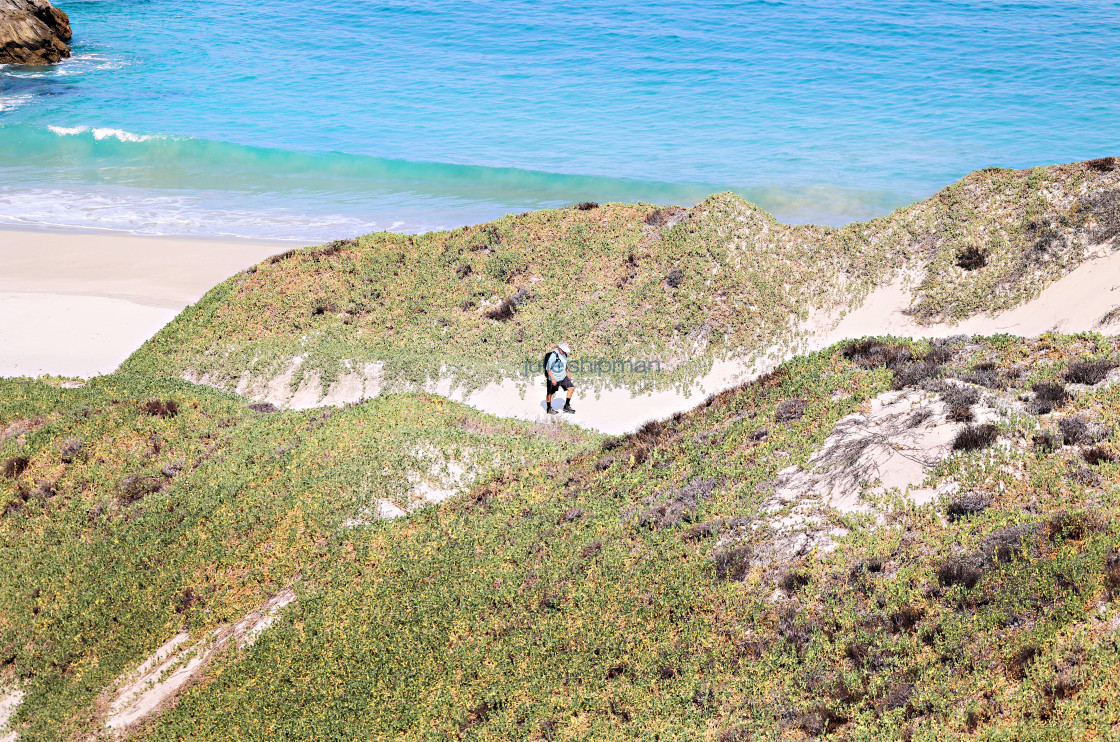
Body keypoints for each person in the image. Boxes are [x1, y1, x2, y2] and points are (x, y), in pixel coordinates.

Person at [544, 341, 575, 414]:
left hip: (562, 376)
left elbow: (565, 363)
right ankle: (549, 409)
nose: (564, 352)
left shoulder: (564, 354)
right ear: (559, 349)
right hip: (554, 377)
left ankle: (566, 406)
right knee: (550, 394)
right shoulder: (554, 356)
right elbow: (548, 368)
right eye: (563, 350)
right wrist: (552, 379)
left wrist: (568, 372)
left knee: (571, 388)